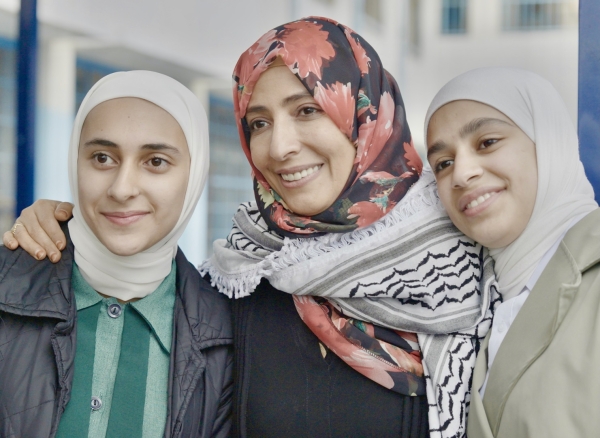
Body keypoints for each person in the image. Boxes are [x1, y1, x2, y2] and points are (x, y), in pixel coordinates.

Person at [4, 18, 497, 438]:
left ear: (365, 114)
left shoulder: (470, 263)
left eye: (308, 110)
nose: (280, 147)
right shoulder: (238, 283)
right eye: (258, 123)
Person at [0, 71, 232, 437]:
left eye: (156, 161)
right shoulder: (8, 287)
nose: (122, 189)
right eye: (102, 157)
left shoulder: (227, 336)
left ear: (195, 173)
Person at [425, 67, 599, 437]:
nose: (462, 174)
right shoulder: (467, 307)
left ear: (548, 143)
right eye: (443, 164)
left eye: (487, 142)